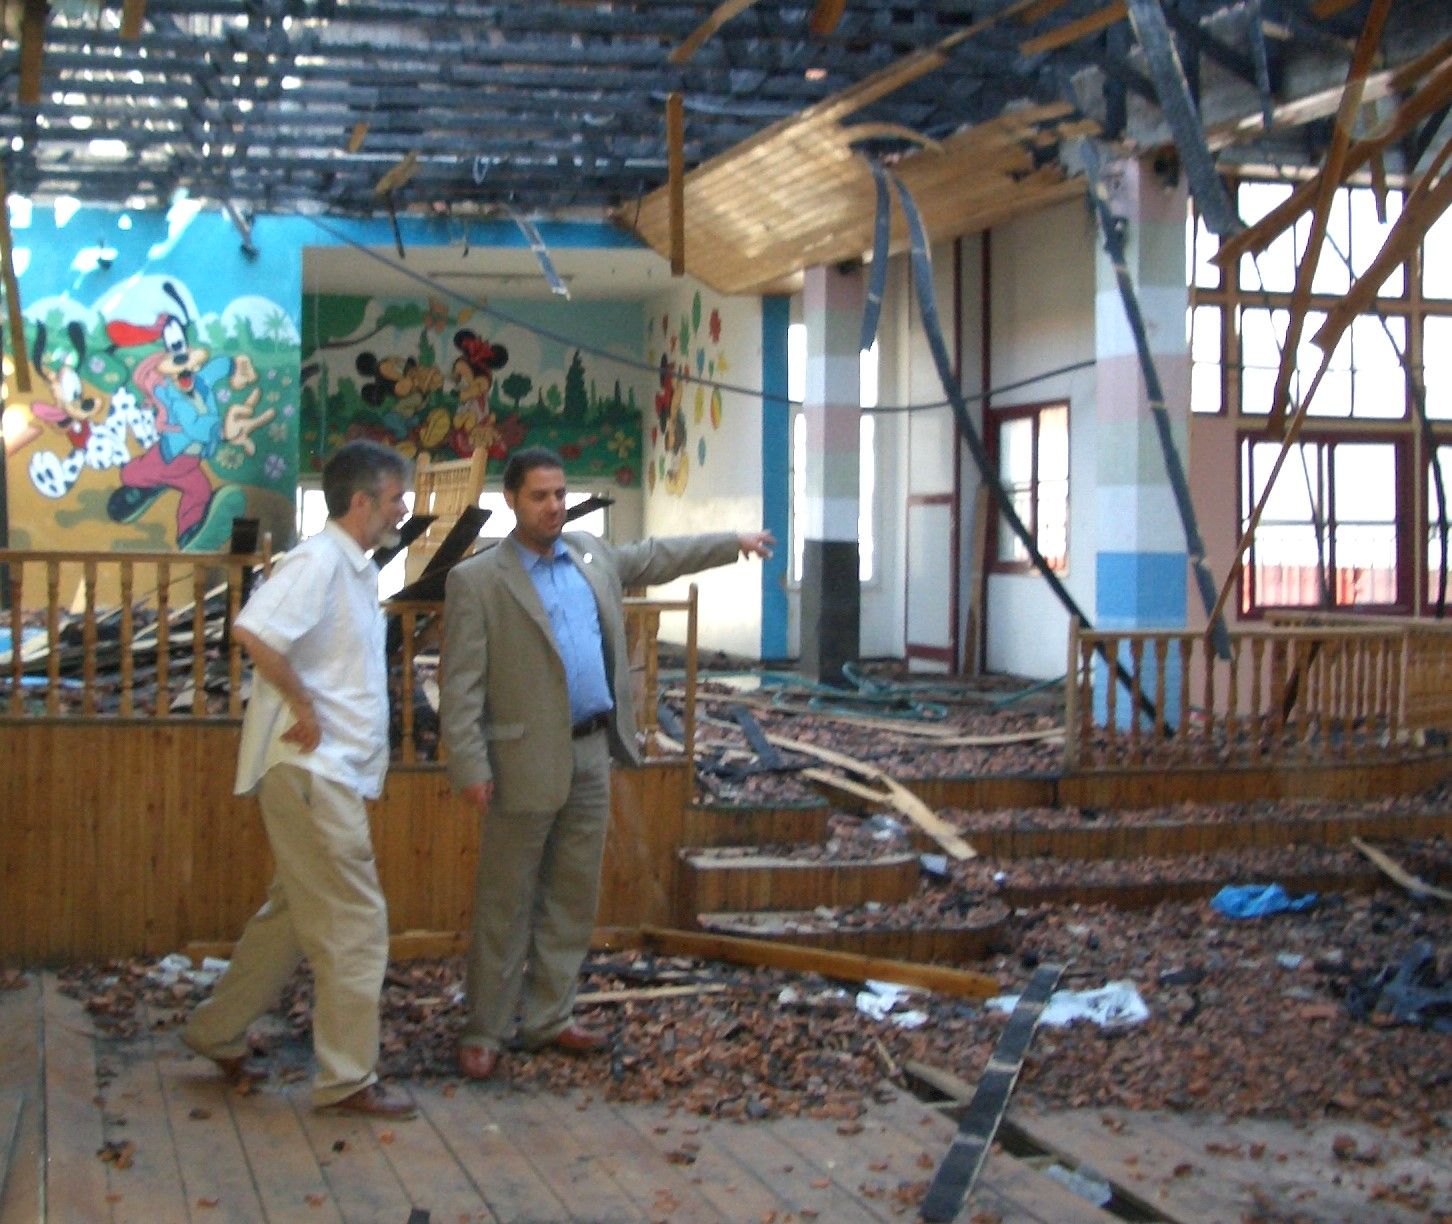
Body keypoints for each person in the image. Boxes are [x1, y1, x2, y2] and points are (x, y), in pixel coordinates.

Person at [440, 445, 774, 1080]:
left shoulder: (590, 555)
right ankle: (484, 1028)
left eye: (561, 494)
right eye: (539, 495)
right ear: (510, 500)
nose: (553, 506)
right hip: (520, 760)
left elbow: (656, 556)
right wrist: (470, 765)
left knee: (571, 893)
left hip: (592, 752)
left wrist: (733, 540)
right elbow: (460, 686)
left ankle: (548, 1018)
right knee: (505, 902)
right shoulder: (479, 580)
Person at [182, 439, 415, 1119]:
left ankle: (214, 1030)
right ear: (361, 501)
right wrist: (304, 704)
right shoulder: (317, 561)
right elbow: (253, 632)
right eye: (396, 497)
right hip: (314, 770)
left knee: (292, 918)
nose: (403, 508)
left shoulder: (354, 569)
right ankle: (347, 1079)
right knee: (354, 922)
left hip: (325, 772)